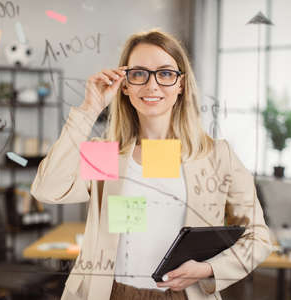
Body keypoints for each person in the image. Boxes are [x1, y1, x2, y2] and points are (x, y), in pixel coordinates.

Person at [31, 29, 272, 300]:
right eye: (139, 74)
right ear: (125, 84)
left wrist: (209, 269)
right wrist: (89, 109)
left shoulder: (216, 155)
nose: (152, 85)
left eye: (166, 73)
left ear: (181, 84)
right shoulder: (108, 154)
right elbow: (47, 189)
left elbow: (258, 237)